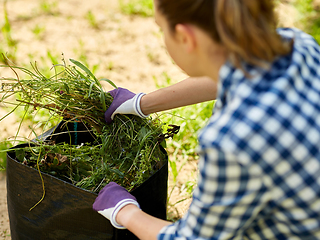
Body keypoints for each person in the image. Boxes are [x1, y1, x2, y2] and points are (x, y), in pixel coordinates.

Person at [93, 0, 320, 239]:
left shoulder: (231, 140)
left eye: (162, 28)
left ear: (185, 37)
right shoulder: (296, 44)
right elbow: (225, 73)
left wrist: (125, 211)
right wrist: (142, 103)